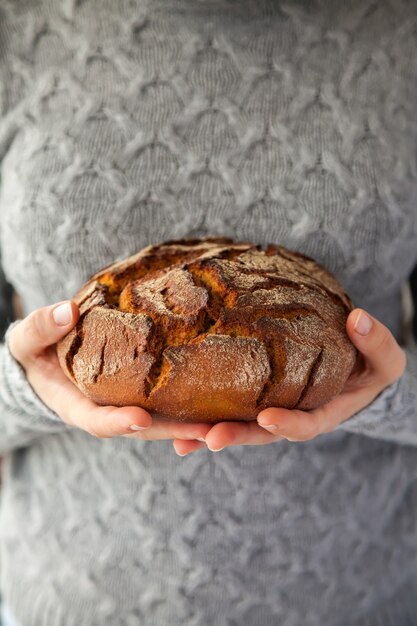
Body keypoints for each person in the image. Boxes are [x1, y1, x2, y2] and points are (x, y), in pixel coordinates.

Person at [1, 1, 417, 624]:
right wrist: (22, 387)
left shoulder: (402, 32)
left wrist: (390, 394)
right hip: (71, 599)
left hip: (358, 596)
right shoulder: (15, 26)